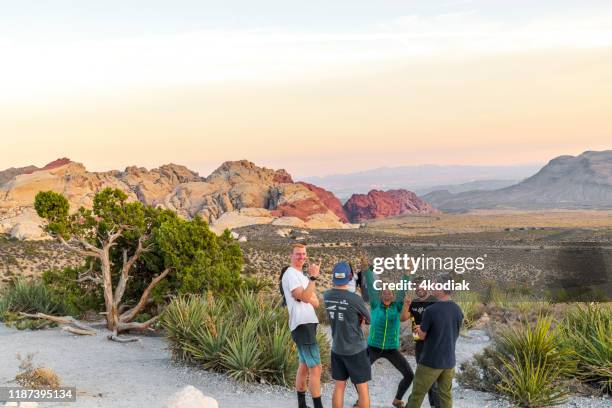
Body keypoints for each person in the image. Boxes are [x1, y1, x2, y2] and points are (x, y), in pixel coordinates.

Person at [360, 261, 414, 408]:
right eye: (384, 291)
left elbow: (402, 291)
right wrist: (368, 271)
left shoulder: (397, 306)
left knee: (409, 375)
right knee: (360, 374)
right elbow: (371, 288)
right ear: (381, 293)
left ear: (393, 294)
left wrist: (407, 274)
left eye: (390, 291)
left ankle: (397, 399)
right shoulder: (376, 304)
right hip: (373, 347)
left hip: (391, 349)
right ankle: (361, 401)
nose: (387, 293)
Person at [407, 275, 464, 408]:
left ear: (442, 287)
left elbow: (421, 336)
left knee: (417, 394)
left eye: (434, 284)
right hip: (449, 362)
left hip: (430, 361)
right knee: (445, 396)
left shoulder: (430, 310)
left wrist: (418, 328)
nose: (432, 286)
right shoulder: (457, 309)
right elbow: (454, 332)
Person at [324, 262, 372, 408]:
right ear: (350, 277)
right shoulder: (354, 298)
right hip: (356, 350)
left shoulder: (327, 295)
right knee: (363, 389)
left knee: (339, 386)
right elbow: (369, 319)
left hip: (337, 348)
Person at [281, 244, 323, 408]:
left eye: (304, 254)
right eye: (298, 254)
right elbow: (305, 297)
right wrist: (313, 279)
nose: (302, 257)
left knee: (304, 365)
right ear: (291, 255)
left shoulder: (301, 276)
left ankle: (302, 405)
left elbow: (316, 302)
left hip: (307, 323)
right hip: (302, 324)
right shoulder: (291, 274)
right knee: (316, 367)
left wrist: (306, 295)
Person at [408, 277, 440, 408]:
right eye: (416, 286)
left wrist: (423, 328)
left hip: (433, 345)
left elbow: (440, 324)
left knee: (433, 378)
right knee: (422, 376)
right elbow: (410, 320)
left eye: (421, 285)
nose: (418, 288)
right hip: (420, 345)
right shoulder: (414, 303)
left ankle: (436, 405)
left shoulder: (435, 302)